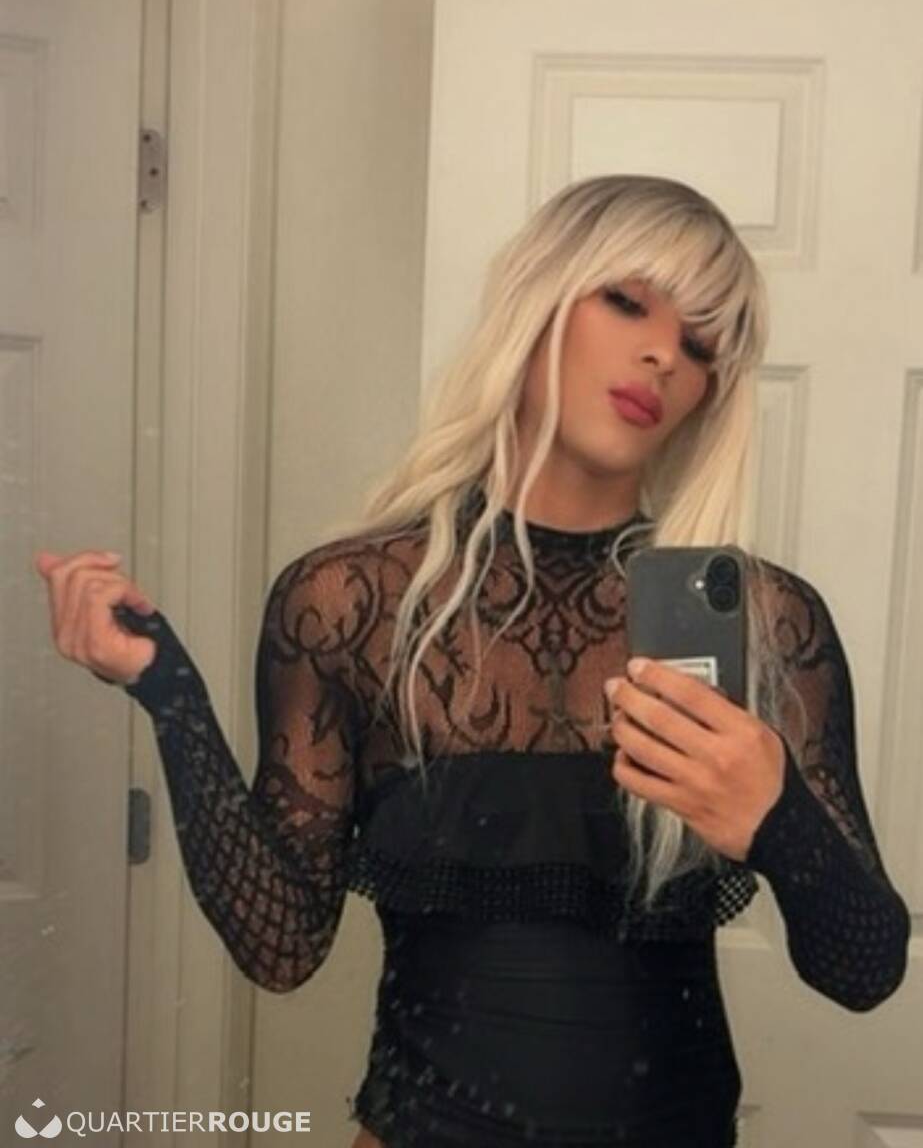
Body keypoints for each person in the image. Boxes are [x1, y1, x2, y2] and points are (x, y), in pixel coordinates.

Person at [36, 175, 910, 1148]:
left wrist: (775, 816)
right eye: (627, 301)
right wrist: (168, 692)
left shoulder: (766, 623)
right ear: (539, 298)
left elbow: (863, 969)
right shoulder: (352, 603)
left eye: (701, 345)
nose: (663, 353)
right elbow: (281, 943)